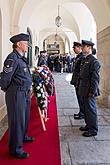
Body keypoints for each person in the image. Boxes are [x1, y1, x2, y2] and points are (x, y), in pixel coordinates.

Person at [0, 33, 34, 158]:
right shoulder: (12, 58)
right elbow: (5, 79)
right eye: (26, 44)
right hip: (16, 94)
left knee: (24, 117)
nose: (28, 46)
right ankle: (15, 149)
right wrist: (10, 91)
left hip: (24, 92)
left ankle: (23, 136)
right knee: (17, 121)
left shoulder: (21, 58)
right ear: (19, 44)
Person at [78, 40, 100, 137]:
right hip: (83, 88)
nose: (82, 48)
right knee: (86, 109)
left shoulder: (93, 61)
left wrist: (92, 91)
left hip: (89, 90)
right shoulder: (85, 59)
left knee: (91, 109)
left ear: (89, 48)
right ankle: (88, 125)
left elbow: (95, 78)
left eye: (84, 47)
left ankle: (93, 129)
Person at [70, 42, 85, 119]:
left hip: (79, 81)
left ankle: (82, 113)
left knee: (80, 98)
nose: (74, 49)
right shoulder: (79, 56)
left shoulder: (82, 57)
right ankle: (81, 112)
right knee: (79, 98)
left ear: (79, 48)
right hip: (77, 81)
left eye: (74, 48)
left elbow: (81, 71)